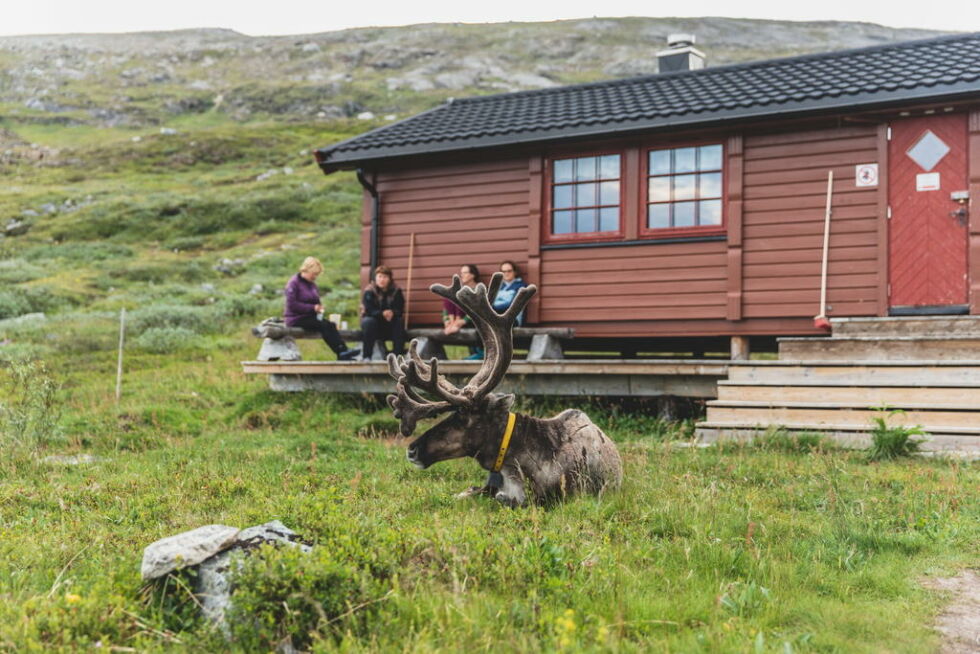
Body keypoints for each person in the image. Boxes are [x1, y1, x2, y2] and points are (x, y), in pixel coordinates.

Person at [284, 256, 359, 361]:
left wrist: (319, 307)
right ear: (306, 270)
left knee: (331, 325)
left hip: (310, 317)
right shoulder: (294, 283)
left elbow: (316, 301)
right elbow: (292, 305)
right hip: (296, 318)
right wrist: (312, 308)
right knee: (324, 325)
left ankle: (343, 351)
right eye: (314, 274)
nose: (315, 277)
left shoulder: (312, 285)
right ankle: (341, 352)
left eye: (317, 274)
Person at [361, 264, 406, 360]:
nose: (382, 279)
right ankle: (367, 356)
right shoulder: (369, 290)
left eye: (385, 277)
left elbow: (400, 308)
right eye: (379, 277)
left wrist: (392, 313)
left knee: (399, 321)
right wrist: (382, 314)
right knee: (368, 321)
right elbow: (369, 309)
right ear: (376, 278)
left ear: (389, 279)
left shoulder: (396, 290)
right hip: (374, 325)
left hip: (390, 325)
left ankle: (397, 356)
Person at [442, 264, 483, 360]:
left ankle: (479, 354)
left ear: (473, 275)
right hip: (456, 321)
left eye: (465, 273)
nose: (462, 275)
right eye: (461, 273)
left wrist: (463, 321)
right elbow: (445, 308)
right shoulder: (460, 289)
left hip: (474, 321)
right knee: (450, 296)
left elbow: (476, 310)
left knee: (463, 298)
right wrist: (446, 320)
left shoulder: (479, 289)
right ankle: (452, 323)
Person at [492, 260, 529, 326]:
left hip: (513, 320)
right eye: (503, 271)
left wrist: (492, 307)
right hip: (496, 318)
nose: (506, 273)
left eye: (509, 271)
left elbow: (512, 305)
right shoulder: (497, 286)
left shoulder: (521, 286)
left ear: (515, 272)